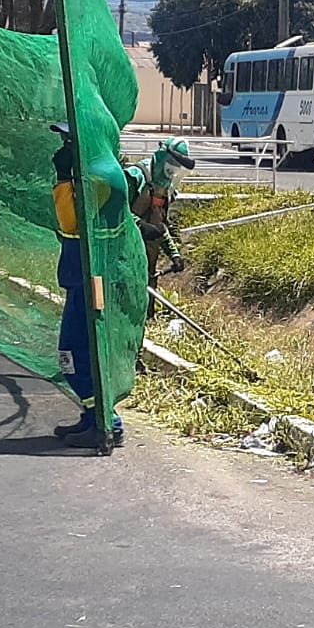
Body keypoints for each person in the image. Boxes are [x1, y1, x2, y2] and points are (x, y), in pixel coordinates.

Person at [49, 122, 124, 451]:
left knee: (74, 351)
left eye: (69, 141)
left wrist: (64, 180)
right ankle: (93, 416)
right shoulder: (97, 176)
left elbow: (72, 222)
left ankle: (106, 422)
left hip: (89, 278)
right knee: (82, 351)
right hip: (82, 276)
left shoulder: (96, 179)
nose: (64, 147)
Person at [131, 137, 193, 318]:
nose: (173, 169)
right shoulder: (136, 177)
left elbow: (160, 228)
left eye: (178, 166)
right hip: (125, 259)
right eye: (171, 162)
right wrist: (140, 226)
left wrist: (174, 254)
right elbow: (115, 214)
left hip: (148, 266)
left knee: (146, 314)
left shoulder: (167, 190)